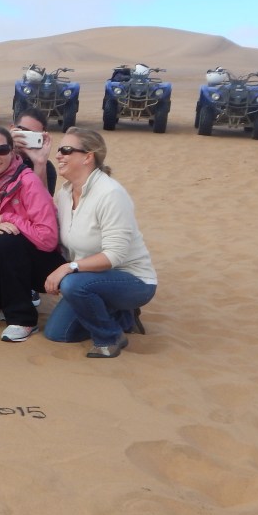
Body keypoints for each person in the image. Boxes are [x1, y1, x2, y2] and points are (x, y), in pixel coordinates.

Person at [43, 128, 157, 358]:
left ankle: (110, 337)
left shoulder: (110, 194)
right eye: (59, 150)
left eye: (66, 150)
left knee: (72, 285)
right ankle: (123, 316)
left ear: (88, 157)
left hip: (133, 281)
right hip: (89, 279)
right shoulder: (64, 194)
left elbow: (115, 255)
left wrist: (69, 267)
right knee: (58, 333)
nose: (58, 155)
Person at [0, 127, 65, 342]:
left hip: (42, 263)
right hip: (6, 258)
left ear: (12, 152)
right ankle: (10, 303)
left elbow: (47, 239)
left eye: (2, 149)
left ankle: (23, 320)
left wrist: (8, 219)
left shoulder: (28, 182)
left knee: (8, 238)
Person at [10, 106, 57, 195]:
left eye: (33, 135)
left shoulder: (46, 168)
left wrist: (39, 164)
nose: (26, 136)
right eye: (23, 130)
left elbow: (42, 201)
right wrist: (7, 147)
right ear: (12, 128)